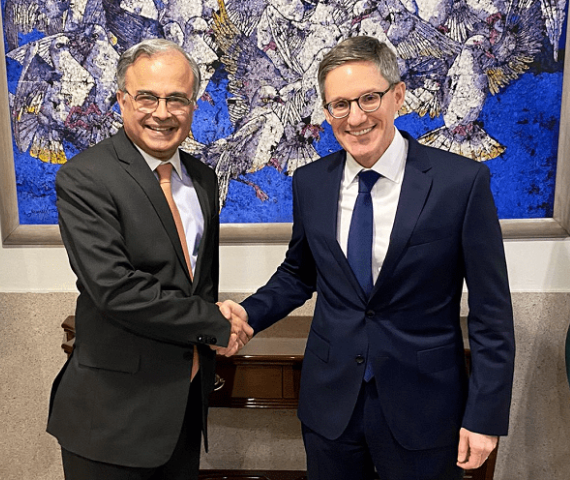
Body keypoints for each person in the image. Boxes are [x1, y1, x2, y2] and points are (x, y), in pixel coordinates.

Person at [220, 36, 515, 480]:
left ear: (398, 96)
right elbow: (299, 273)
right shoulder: (310, 182)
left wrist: (485, 416)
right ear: (326, 112)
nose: (355, 117)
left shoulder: (461, 182)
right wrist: (248, 313)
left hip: (425, 407)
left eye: (369, 98)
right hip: (330, 406)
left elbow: (492, 311)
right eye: (340, 104)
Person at [47, 38, 253, 480]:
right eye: (147, 97)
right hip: (111, 419)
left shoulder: (202, 177)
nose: (162, 112)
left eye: (177, 98)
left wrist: (216, 319)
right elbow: (116, 289)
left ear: (193, 105)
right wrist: (216, 323)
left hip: (183, 408)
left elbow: (195, 284)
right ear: (122, 99)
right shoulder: (85, 178)